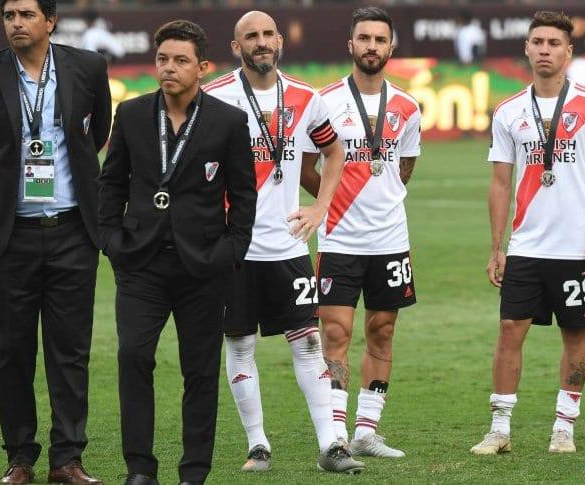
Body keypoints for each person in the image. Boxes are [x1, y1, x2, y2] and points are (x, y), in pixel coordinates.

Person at [0, 0, 110, 483]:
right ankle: (20, 457)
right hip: (9, 236)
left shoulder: (86, 67)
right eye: (9, 15)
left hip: (72, 231)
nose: (16, 23)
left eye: (26, 14)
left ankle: (67, 459)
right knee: (11, 350)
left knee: (71, 350)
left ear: (51, 20)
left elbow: (97, 132)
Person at [202, 10, 364, 474]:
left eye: (267, 34)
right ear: (236, 47)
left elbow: (334, 151)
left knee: (309, 344)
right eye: (250, 36)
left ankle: (332, 445)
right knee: (238, 346)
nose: (261, 42)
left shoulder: (306, 98)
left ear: (280, 41)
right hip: (233, 250)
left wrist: (320, 207)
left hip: (288, 246)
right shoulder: (214, 97)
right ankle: (258, 445)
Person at [97, 20, 257, 485]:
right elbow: (111, 184)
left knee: (200, 371)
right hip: (141, 265)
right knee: (132, 358)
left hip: (204, 267)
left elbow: (244, 196)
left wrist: (230, 251)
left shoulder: (229, 121)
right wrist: (112, 241)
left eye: (181, 60)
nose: (169, 68)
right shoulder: (129, 114)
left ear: (202, 68)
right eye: (163, 59)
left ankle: (193, 472)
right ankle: (139, 470)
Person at [471, 10, 585, 456]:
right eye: (538, 42)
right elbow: (499, 182)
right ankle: (499, 429)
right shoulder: (509, 110)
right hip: (527, 245)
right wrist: (497, 248)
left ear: (568, 52)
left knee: (576, 334)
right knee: (510, 328)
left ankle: (564, 427)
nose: (545, 50)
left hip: (576, 246)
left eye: (554, 43)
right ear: (527, 49)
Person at [303, 6, 421, 459]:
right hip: (339, 238)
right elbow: (305, 165)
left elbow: (403, 167)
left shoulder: (408, 107)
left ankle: (367, 431)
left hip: (391, 239)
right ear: (350, 44)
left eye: (380, 39)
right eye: (364, 38)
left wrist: (380, 194)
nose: (372, 46)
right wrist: (329, 202)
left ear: (391, 47)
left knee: (383, 329)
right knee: (334, 333)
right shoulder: (324, 101)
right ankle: (334, 433)